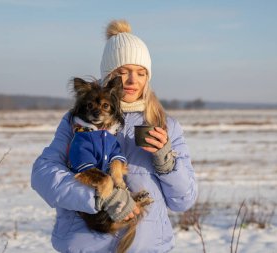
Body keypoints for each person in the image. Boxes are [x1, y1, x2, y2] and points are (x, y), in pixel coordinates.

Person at [31, 19, 198, 253]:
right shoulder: (77, 121)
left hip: (146, 247)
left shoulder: (164, 124)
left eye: (141, 73)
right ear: (109, 74)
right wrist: (99, 197)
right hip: (86, 246)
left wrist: (167, 162)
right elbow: (43, 175)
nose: (132, 81)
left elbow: (183, 200)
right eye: (124, 72)